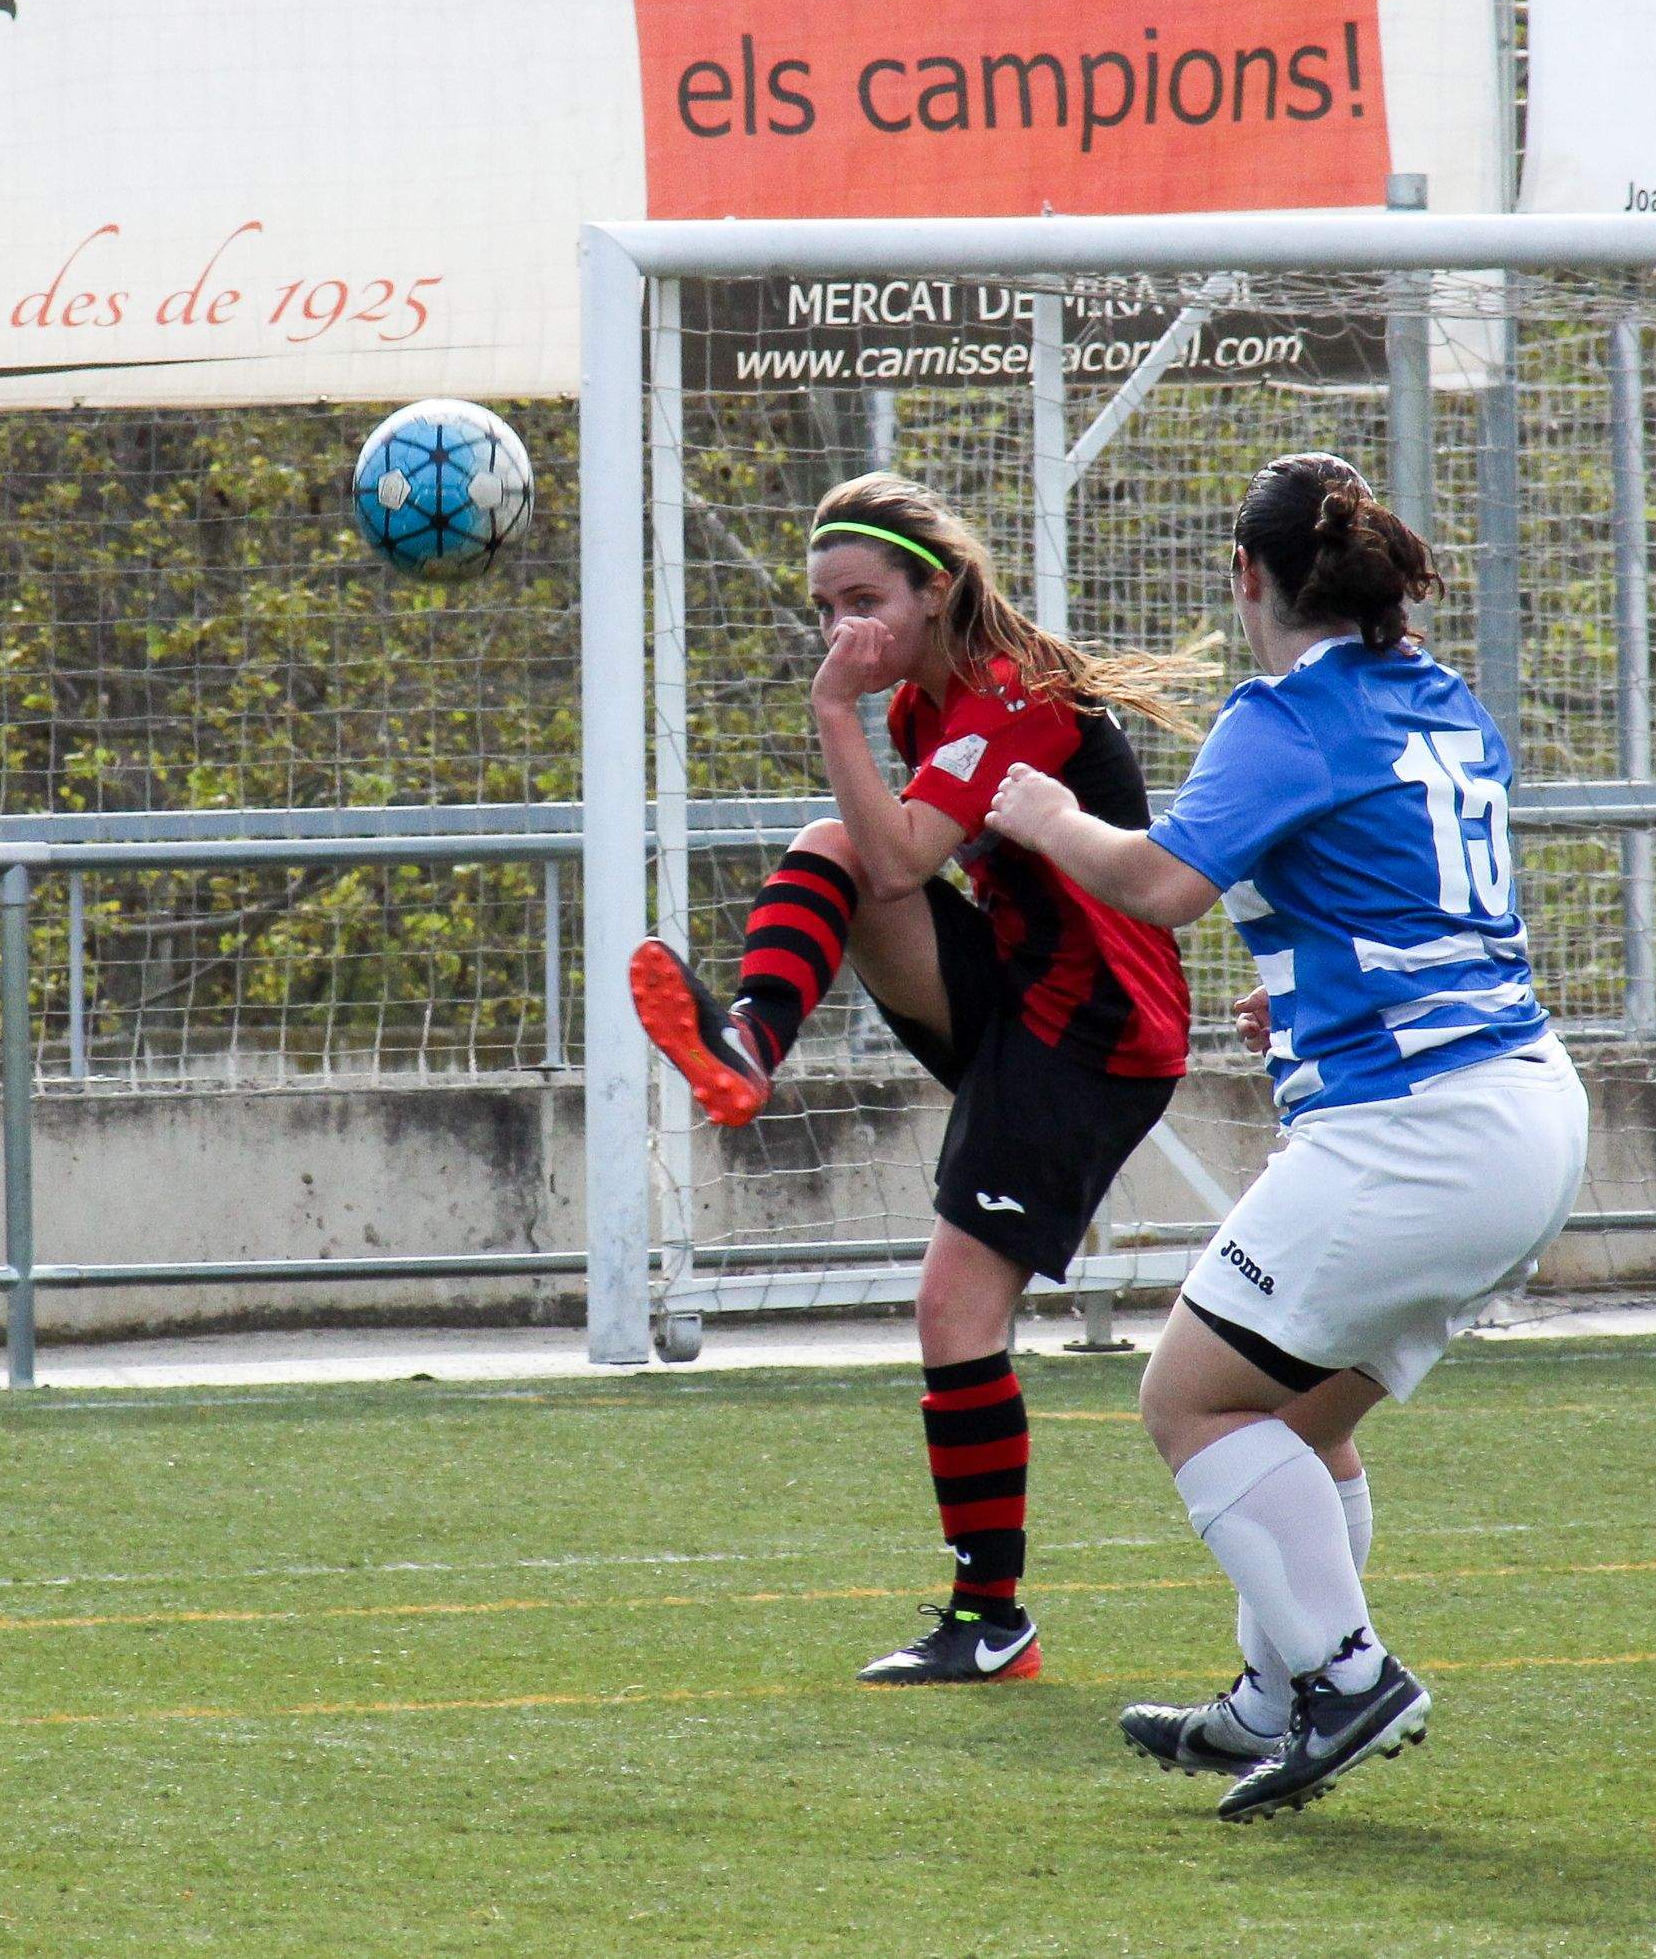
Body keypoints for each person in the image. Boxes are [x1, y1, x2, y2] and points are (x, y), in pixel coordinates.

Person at [984, 452, 1588, 1820]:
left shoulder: (1284, 714)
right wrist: (1304, 987)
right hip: (1529, 1109)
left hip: (1421, 1129)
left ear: (1245, 577)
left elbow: (1159, 887)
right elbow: (1391, 889)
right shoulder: (1440, 698)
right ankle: (1274, 1694)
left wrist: (1046, 813)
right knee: (1302, 1417)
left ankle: (1347, 1671)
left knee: (1188, 1397)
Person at [627, 472, 1197, 1686]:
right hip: (1014, 994)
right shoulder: (918, 707)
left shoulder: (1008, 698)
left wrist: (831, 707)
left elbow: (902, 868)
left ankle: (993, 1625)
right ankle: (745, 1051)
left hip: (1092, 1031)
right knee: (834, 843)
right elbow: (888, 870)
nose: (845, 630)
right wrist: (855, 705)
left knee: (952, 1311)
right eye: (825, 608)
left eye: (865, 602)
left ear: (934, 592)